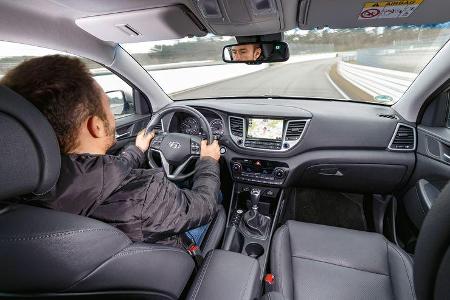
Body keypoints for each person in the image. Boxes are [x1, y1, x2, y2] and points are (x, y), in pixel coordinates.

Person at [0, 55, 221, 248]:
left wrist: (136, 150)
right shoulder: (145, 194)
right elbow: (203, 205)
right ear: (96, 126)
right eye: (109, 106)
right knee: (218, 200)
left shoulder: (14, 195)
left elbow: (97, 176)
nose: (113, 115)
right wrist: (208, 162)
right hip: (172, 262)